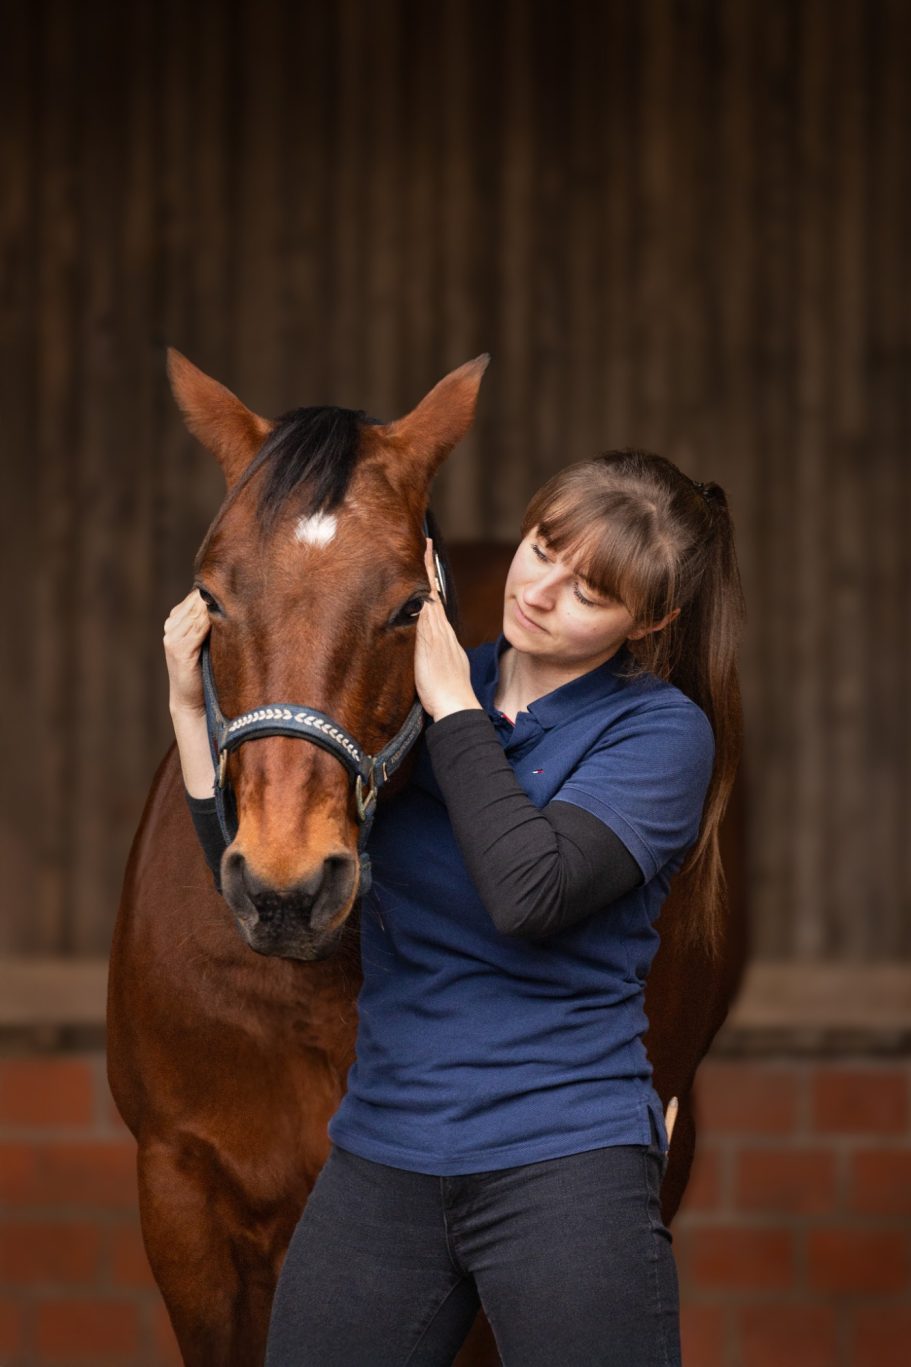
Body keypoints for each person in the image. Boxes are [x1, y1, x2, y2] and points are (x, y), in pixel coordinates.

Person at [163, 449, 744, 1367]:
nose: (541, 591)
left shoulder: (659, 735)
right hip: (385, 1155)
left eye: (590, 591)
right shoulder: (408, 705)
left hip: (564, 1162)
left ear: (650, 621)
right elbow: (281, 925)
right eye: (543, 546)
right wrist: (191, 717)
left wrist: (452, 705)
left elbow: (529, 893)